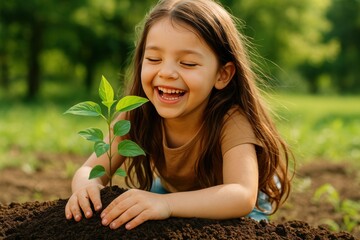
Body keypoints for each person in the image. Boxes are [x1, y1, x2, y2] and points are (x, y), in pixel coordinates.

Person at [65, 0, 293, 231]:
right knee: (139, 207)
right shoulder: (136, 114)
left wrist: (166, 204)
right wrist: (87, 186)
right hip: (171, 191)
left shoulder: (231, 120)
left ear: (222, 74)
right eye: (154, 59)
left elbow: (241, 195)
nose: (166, 73)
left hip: (235, 202)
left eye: (188, 63)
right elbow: (88, 170)